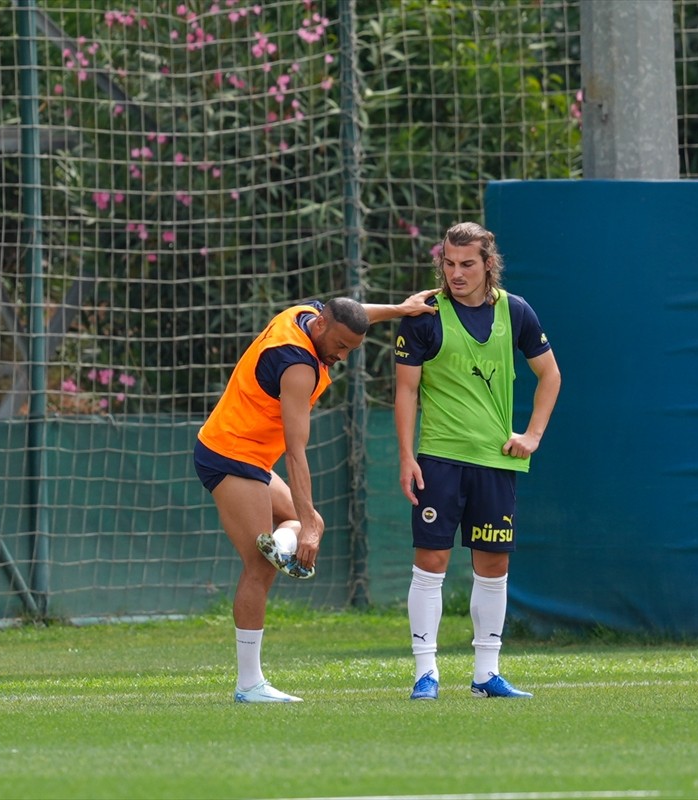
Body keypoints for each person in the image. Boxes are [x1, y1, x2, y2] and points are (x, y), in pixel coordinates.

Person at [195, 290, 438, 703]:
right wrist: (307, 522)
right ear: (321, 327)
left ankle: (282, 544)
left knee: (303, 526)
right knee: (260, 567)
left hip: (247, 454)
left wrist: (399, 310)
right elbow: (296, 450)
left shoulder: (308, 313)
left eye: (352, 348)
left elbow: (355, 314)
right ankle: (249, 685)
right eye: (340, 346)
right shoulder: (298, 367)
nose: (343, 355)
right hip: (231, 455)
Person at [394, 221, 560, 701]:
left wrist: (531, 435)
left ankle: (487, 674)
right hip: (439, 459)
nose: (456, 273)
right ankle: (425, 674)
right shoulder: (424, 316)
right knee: (431, 561)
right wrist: (407, 456)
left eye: (467, 263)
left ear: (489, 264)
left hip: (496, 462)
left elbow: (550, 376)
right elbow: (405, 391)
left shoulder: (517, 312)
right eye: (448, 263)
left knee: (493, 565)